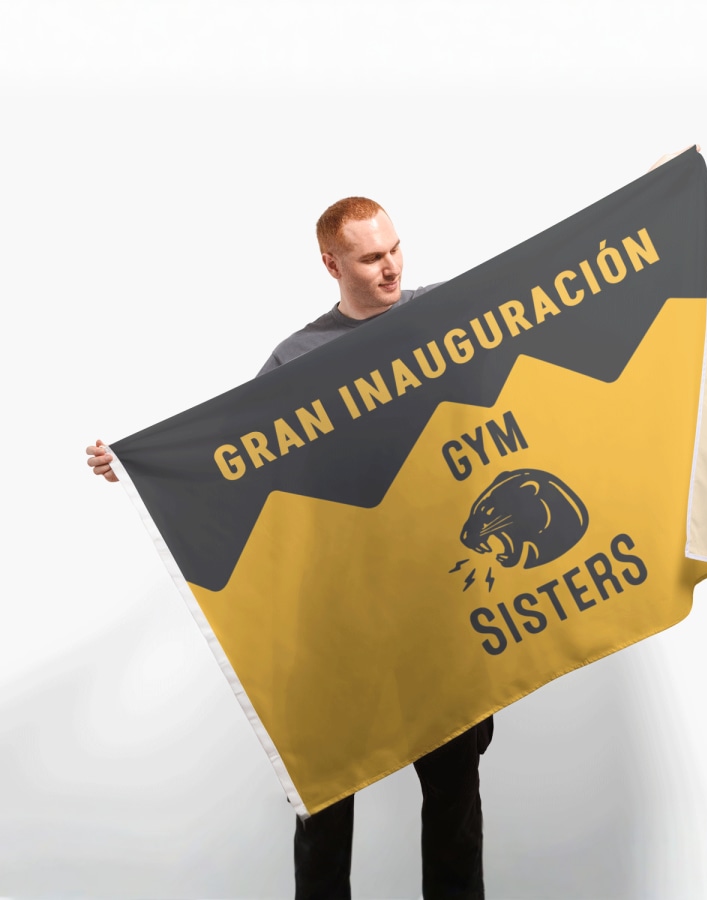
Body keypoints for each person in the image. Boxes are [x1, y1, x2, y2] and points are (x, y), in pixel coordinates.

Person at [88, 196, 493, 900]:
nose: (391, 265)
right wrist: (135, 460)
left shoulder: (446, 314)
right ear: (331, 264)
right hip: (338, 618)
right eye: (371, 257)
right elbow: (232, 453)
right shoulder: (297, 358)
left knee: (455, 796)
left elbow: (550, 298)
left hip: (438, 609)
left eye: (395, 248)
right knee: (325, 796)